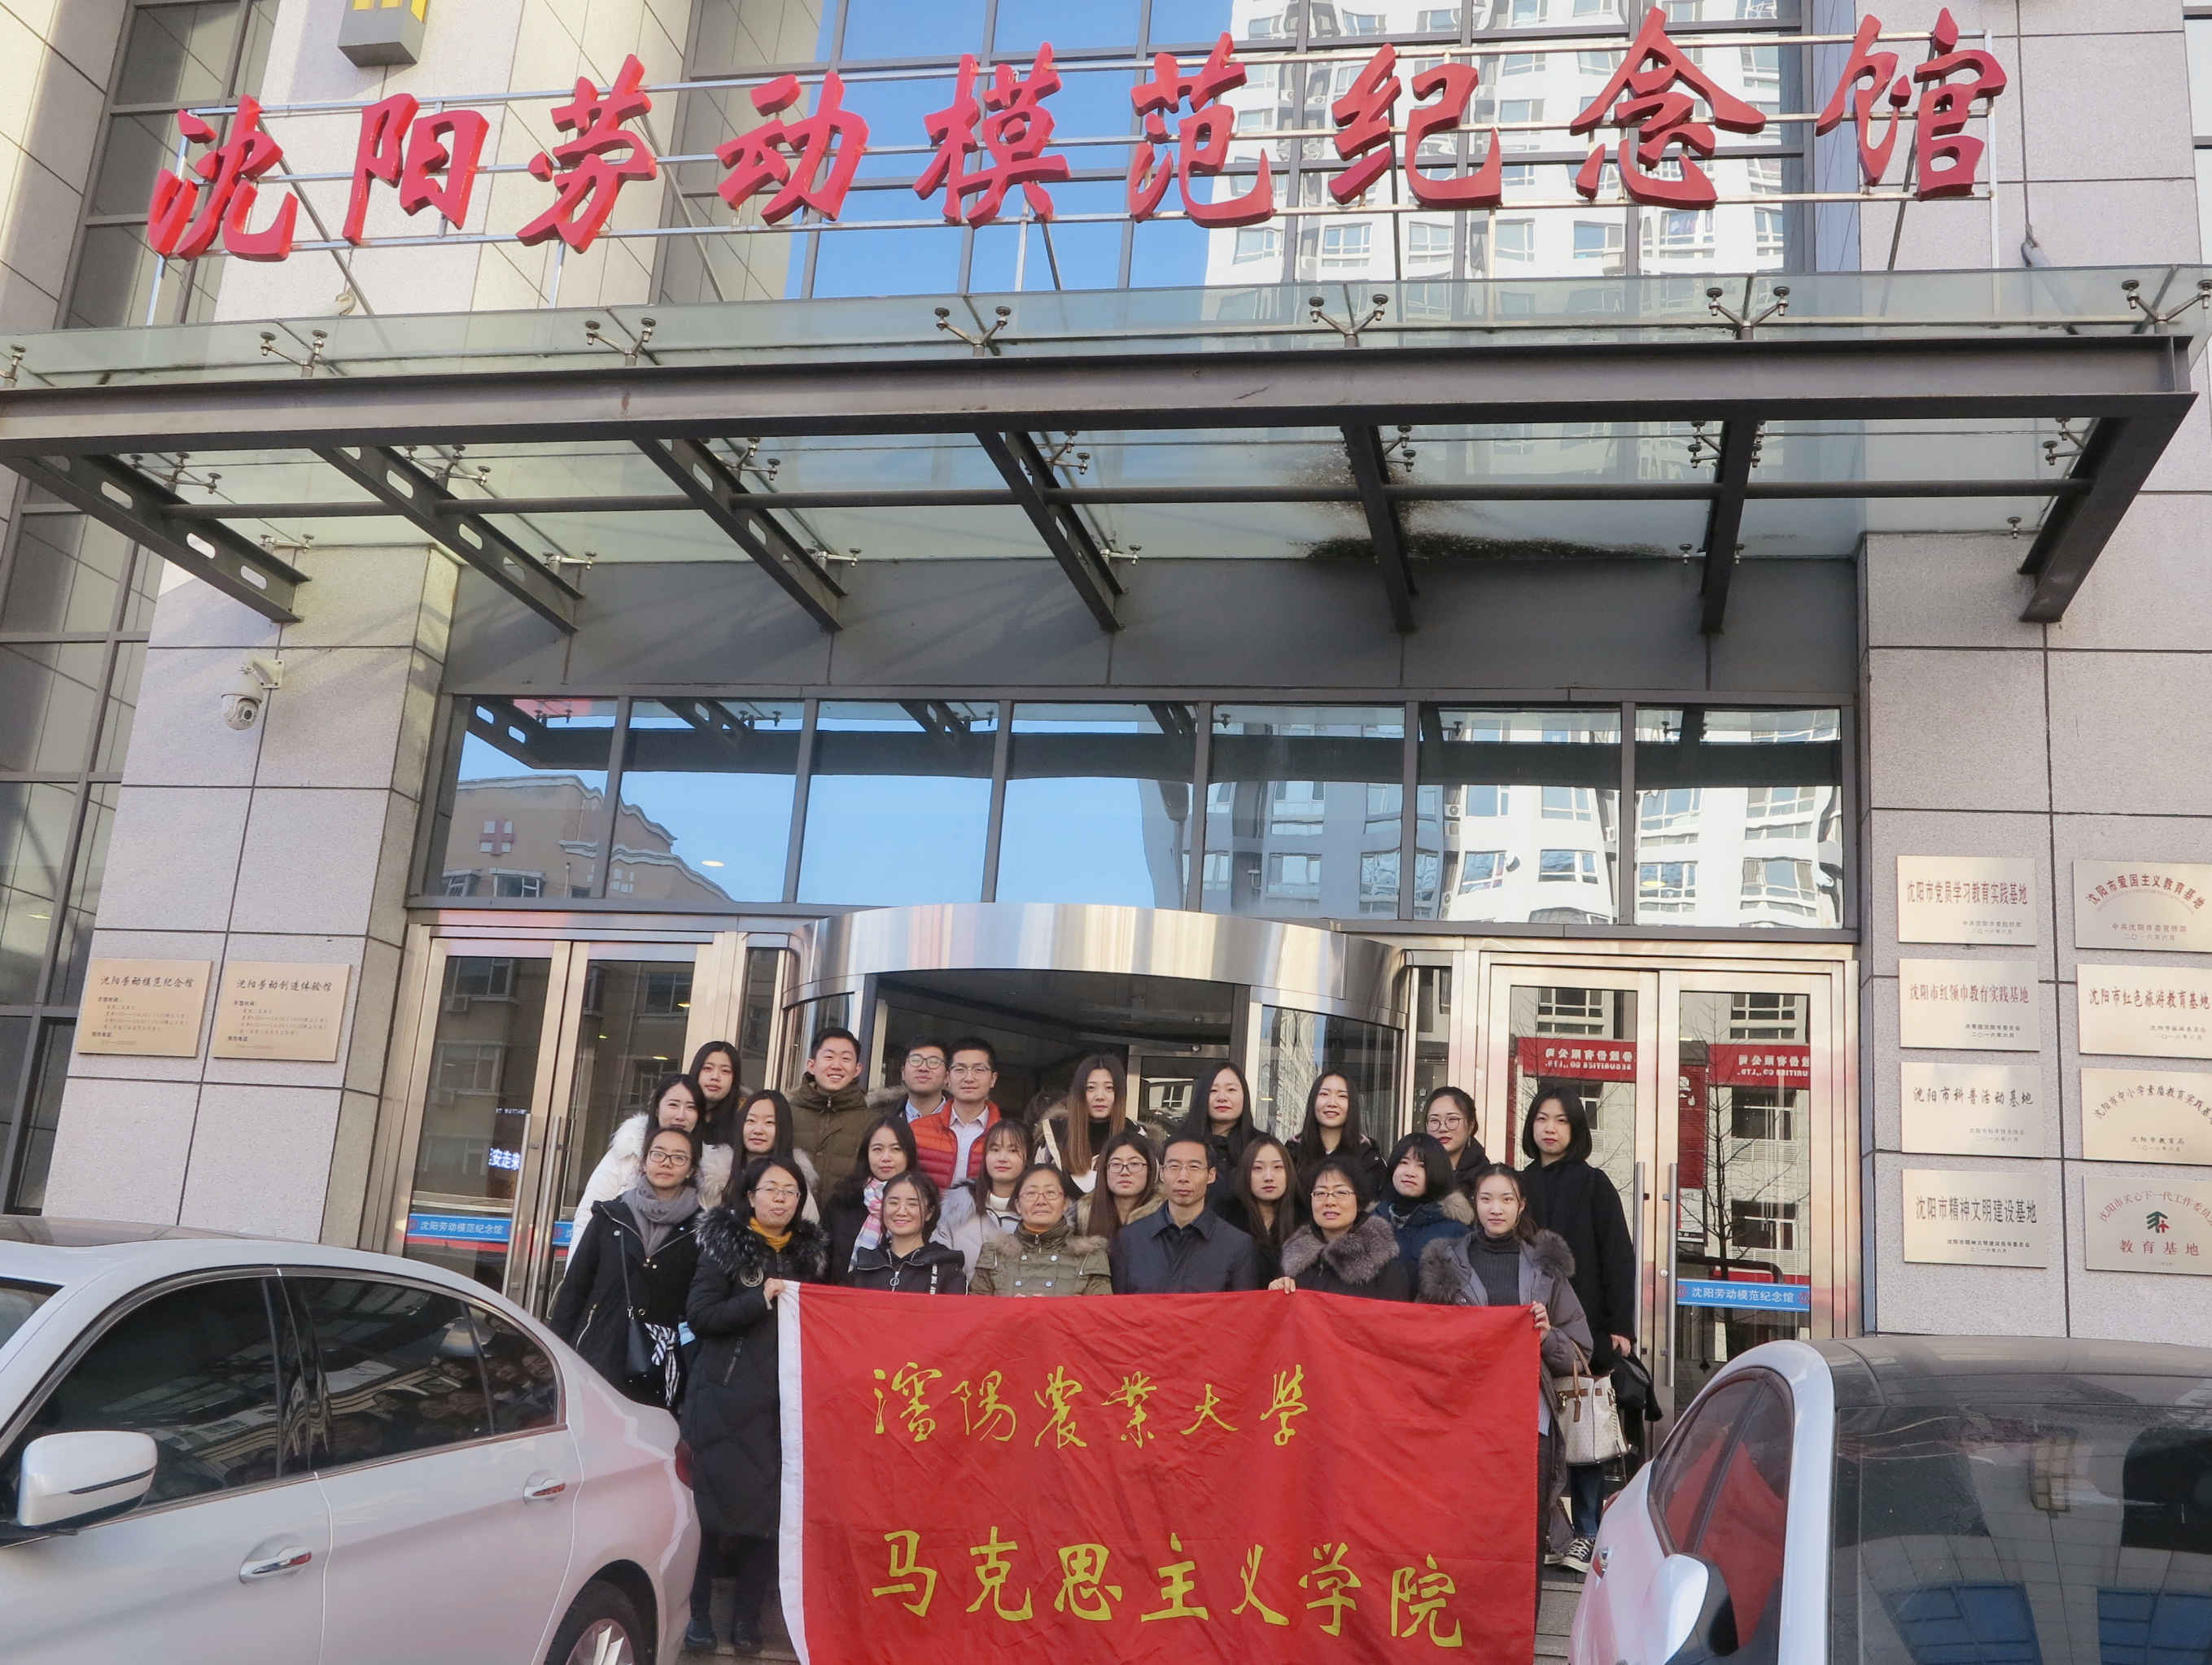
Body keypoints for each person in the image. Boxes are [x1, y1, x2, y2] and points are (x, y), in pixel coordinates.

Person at [1417, 1162, 1593, 1583]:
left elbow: (1580, 1352)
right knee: (1460, 1531)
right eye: (1486, 1199)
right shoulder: (1445, 1264)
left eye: (1506, 1199)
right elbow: (1422, 1341)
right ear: (1474, 1204)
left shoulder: (1546, 1270)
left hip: (1529, 1422)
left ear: (1521, 1206)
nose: (1496, 1208)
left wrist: (1546, 1335)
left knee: (1522, 1536)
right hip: (1462, 1419)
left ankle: (1519, 1624)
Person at [683, 1156, 828, 1656]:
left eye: (791, 1191)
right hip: (722, 1403)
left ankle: (747, 1620)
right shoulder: (724, 1245)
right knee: (709, 1516)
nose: (781, 1199)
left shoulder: (810, 1255)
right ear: (750, 1196)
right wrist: (757, 1299)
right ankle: (697, 1616)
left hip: (782, 1408)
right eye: (771, 1189)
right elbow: (701, 1316)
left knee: (768, 1520)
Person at [1519, 1081, 1637, 1571]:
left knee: (1583, 1427)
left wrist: (1620, 1325)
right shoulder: (1518, 1184)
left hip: (1582, 1328)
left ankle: (1587, 1530)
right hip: (1527, 1328)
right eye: (1542, 1118)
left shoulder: (1595, 1184)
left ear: (1576, 1130)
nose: (1549, 1128)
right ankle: (1548, 1530)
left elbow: (1618, 1256)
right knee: (1537, 1433)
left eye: (1561, 1120)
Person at [548, 1122, 702, 1410]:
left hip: (660, 1364)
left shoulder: (701, 1230)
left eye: (679, 1157)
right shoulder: (610, 1216)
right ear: (643, 1162)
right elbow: (575, 1288)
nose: (666, 1163)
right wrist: (555, 1352)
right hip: (598, 1352)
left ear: (691, 1169)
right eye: (658, 1154)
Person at [1110, 1134, 1262, 1293]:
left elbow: (1242, 1307)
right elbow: (1118, 1305)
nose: (1183, 1177)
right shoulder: (1129, 1240)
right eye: (1174, 1167)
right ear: (1162, 1173)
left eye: (1194, 1167)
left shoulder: (1237, 1245)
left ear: (1211, 1175)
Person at [575, 1071, 732, 1218]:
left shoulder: (712, 1174)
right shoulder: (627, 1151)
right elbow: (588, 1214)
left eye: (691, 1107)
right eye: (673, 1105)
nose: (681, 1115)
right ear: (657, 1109)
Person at [1271, 1156, 1409, 1300]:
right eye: (1320, 1193)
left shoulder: (1383, 1264)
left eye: (1341, 1193)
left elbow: (1394, 1313)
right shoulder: (1293, 1259)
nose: (1330, 1201)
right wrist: (1275, 1293)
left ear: (1359, 1201)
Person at [968, 1165, 1112, 1297]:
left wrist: (1053, 1309)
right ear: (1018, 1205)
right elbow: (976, 1310)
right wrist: (1011, 1309)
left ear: (1066, 1204)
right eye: (1031, 1193)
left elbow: (1100, 1313)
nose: (1041, 1201)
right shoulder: (994, 1254)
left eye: (1050, 1193)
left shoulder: (1090, 1256)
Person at [824, 1114, 918, 1278]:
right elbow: (824, 1262)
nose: (886, 1158)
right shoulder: (843, 1200)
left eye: (896, 1149)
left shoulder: (920, 1205)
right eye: (877, 1149)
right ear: (866, 1154)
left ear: (908, 1154)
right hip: (842, 1291)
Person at [935, 1117, 1031, 1278]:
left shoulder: (1038, 1212)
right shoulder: (956, 1208)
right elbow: (938, 1269)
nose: (1002, 1158)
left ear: (1028, 1158)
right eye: (995, 1149)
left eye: (1013, 1150)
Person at [847, 1170, 968, 1294]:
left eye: (912, 1204)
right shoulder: (865, 1265)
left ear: (929, 1213)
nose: (901, 1211)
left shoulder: (947, 1269)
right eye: (893, 1203)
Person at [911, 1036, 1003, 1191]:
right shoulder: (916, 1130)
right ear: (947, 1077)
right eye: (960, 1069)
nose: (969, 1078)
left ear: (993, 1079)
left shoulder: (1006, 1136)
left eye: (979, 1070)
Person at [1381, 1131, 1474, 1274]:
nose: (1410, 1172)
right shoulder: (1372, 1219)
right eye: (1404, 1162)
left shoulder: (1455, 1232)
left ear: (1438, 1172)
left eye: (1422, 1166)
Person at [1288, 1071, 1388, 1202]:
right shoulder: (1291, 1154)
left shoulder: (1369, 1159)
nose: (1332, 1103)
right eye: (1324, 1094)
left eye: (1342, 1096)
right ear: (1313, 1101)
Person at [790, 1026, 872, 1182]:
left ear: (857, 1069)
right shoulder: (786, 1113)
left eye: (846, 1059)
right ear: (811, 1066)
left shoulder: (872, 1120)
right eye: (828, 1057)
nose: (836, 1065)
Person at [1174, 1061, 1257, 1214]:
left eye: (1231, 1090)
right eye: (1213, 1090)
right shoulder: (1179, 1146)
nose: (1222, 1098)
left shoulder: (1260, 1147)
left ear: (1244, 1095)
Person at [1039, 1054, 1127, 1197]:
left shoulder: (1136, 1138)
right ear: (1079, 1093)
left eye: (1109, 1088)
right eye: (1091, 1088)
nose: (1100, 1096)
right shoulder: (1054, 1137)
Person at [732, 1088, 820, 1224]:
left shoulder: (795, 1187)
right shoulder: (718, 1180)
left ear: (783, 1128)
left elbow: (809, 1231)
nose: (758, 1130)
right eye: (751, 1120)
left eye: (769, 1122)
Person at [1226, 1134, 1301, 1283]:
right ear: (1245, 1173)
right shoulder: (1226, 1222)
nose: (1268, 1177)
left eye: (1278, 1167)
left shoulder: (1306, 1225)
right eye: (1258, 1168)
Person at [1082, 1126, 1163, 1248]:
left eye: (1134, 1164)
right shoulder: (1080, 1216)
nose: (1124, 1172)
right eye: (1116, 1164)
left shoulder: (1167, 1216)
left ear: (1150, 1170)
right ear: (1105, 1170)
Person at [1423, 1085, 1490, 1204]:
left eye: (1452, 1119)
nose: (1442, 1128)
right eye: (1434, 1120)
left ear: (1471, 1125)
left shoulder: (1487, 1179)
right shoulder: (1413, 1174)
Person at [881, 1037, 950, 1122]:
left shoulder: (962, 1119)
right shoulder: (878, 1121)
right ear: (903, 1073)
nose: (923, 1068)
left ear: (947, 1077)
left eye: (933, 1062)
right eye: (915, 1060)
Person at [691, 1040, 745, 1144]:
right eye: (708, 1068)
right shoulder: (679, 1115)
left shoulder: (743, 1121)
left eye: (725, 1071)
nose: (715, 1077)